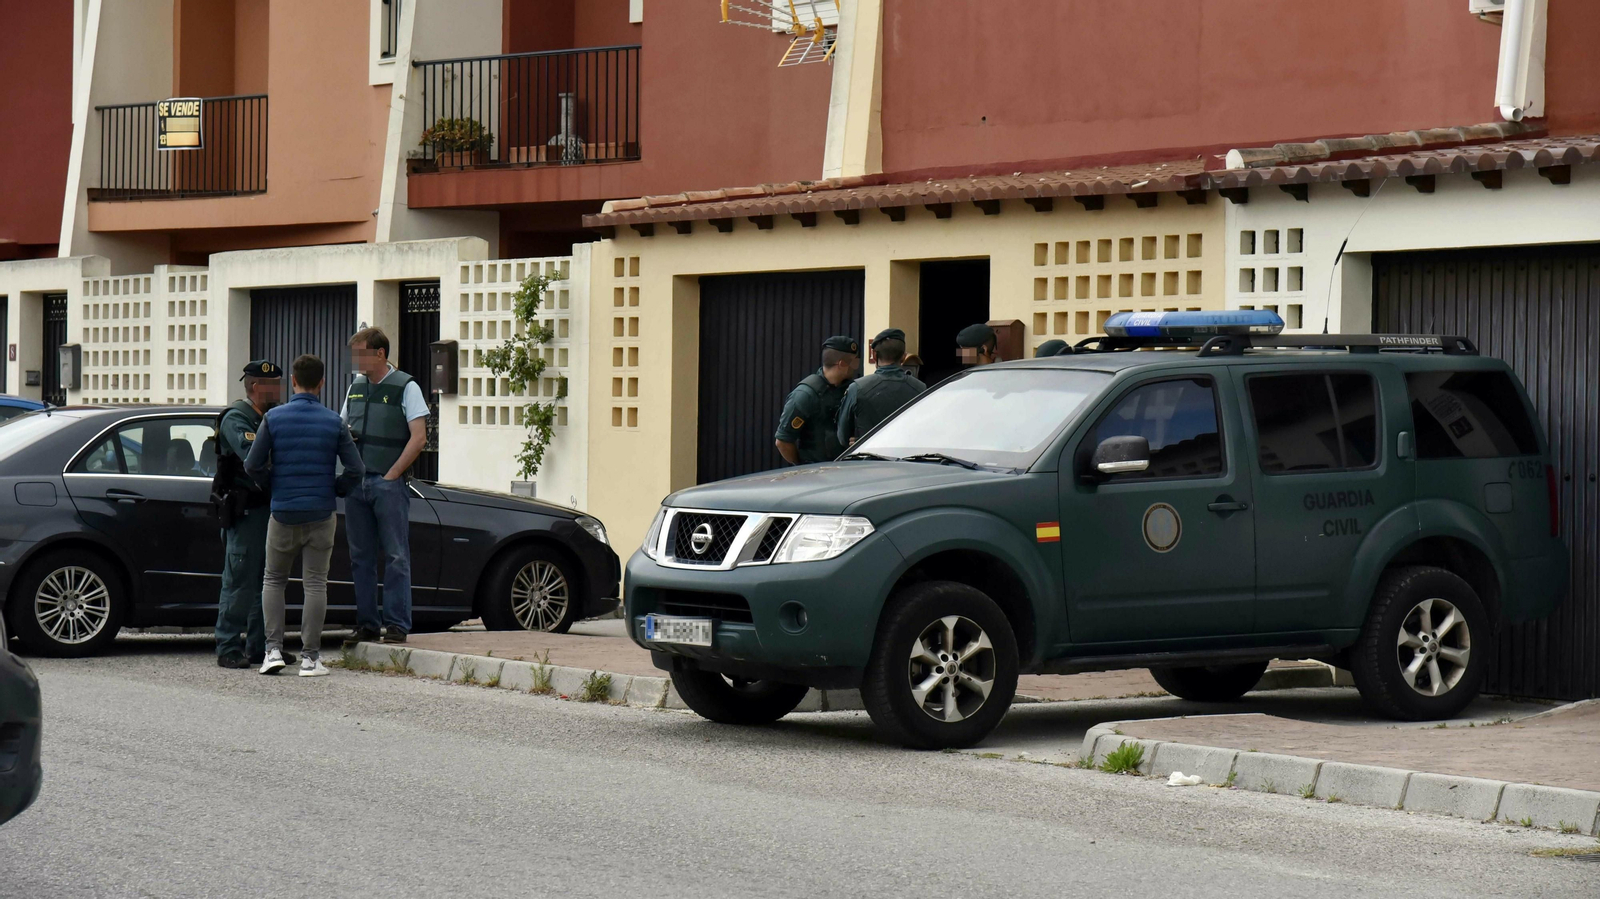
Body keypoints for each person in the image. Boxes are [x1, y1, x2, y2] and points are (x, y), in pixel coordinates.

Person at [244, 354, 365, 677]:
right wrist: (336, 489)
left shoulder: (274, 419)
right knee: (315, 584)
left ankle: (272, 651)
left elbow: (252, 464)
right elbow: (356, 469)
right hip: (321, 513)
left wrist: (274, 486)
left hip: (283, 512)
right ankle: (311, 658)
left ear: (293, 382)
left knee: (273, 580)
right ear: (322, 383)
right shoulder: (334, 422)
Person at [341, 327, 429, 646]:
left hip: (387, 483)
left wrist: (392, 475)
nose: (355, 360)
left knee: (395, 556)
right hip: (358, 484)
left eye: (361, 353)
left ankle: (396, 624)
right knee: (360, 556)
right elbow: (342, 429)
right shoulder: (356, 387)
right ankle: (367, 623)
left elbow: (419, 437)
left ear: (379, 354)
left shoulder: (406, 386)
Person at [212, 360, 288, 670]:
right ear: (255, 387)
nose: (278, 390)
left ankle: (259, 647)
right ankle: (228, 645)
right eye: (272, 385)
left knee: (266, 581)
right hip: (245, 512)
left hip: (269, 509)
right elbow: (254, 458)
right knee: (239, 581)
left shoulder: (270, 417)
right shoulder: (237, 418)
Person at [774, 335, 858, 465]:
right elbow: (783, 441)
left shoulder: (853, 389)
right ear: (842, 364)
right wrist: (802, 466)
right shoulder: (805, 395)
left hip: (846, 470)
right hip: (815, 472)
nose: (856, 367)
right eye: (854, 362)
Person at [837, 328, 926, 447]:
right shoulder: (920, 389)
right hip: (906, 460)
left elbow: (842, 438)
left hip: (868, 460)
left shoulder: (857, 388)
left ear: (874, 355)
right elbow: (923, 431)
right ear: (904, 357)